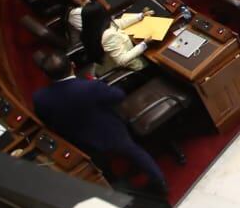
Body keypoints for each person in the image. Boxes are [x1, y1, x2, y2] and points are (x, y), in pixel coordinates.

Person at [33, 52, 166, 194]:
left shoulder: (40, 98)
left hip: (79, 143)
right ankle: (159, 183)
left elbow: (46, 120)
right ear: (72, 65)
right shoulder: (90, 87)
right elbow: (118, 95)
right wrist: (100, 84)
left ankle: (117, 188)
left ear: (46, 75)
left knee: (102, 166)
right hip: (111, 133)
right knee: (134, 152)